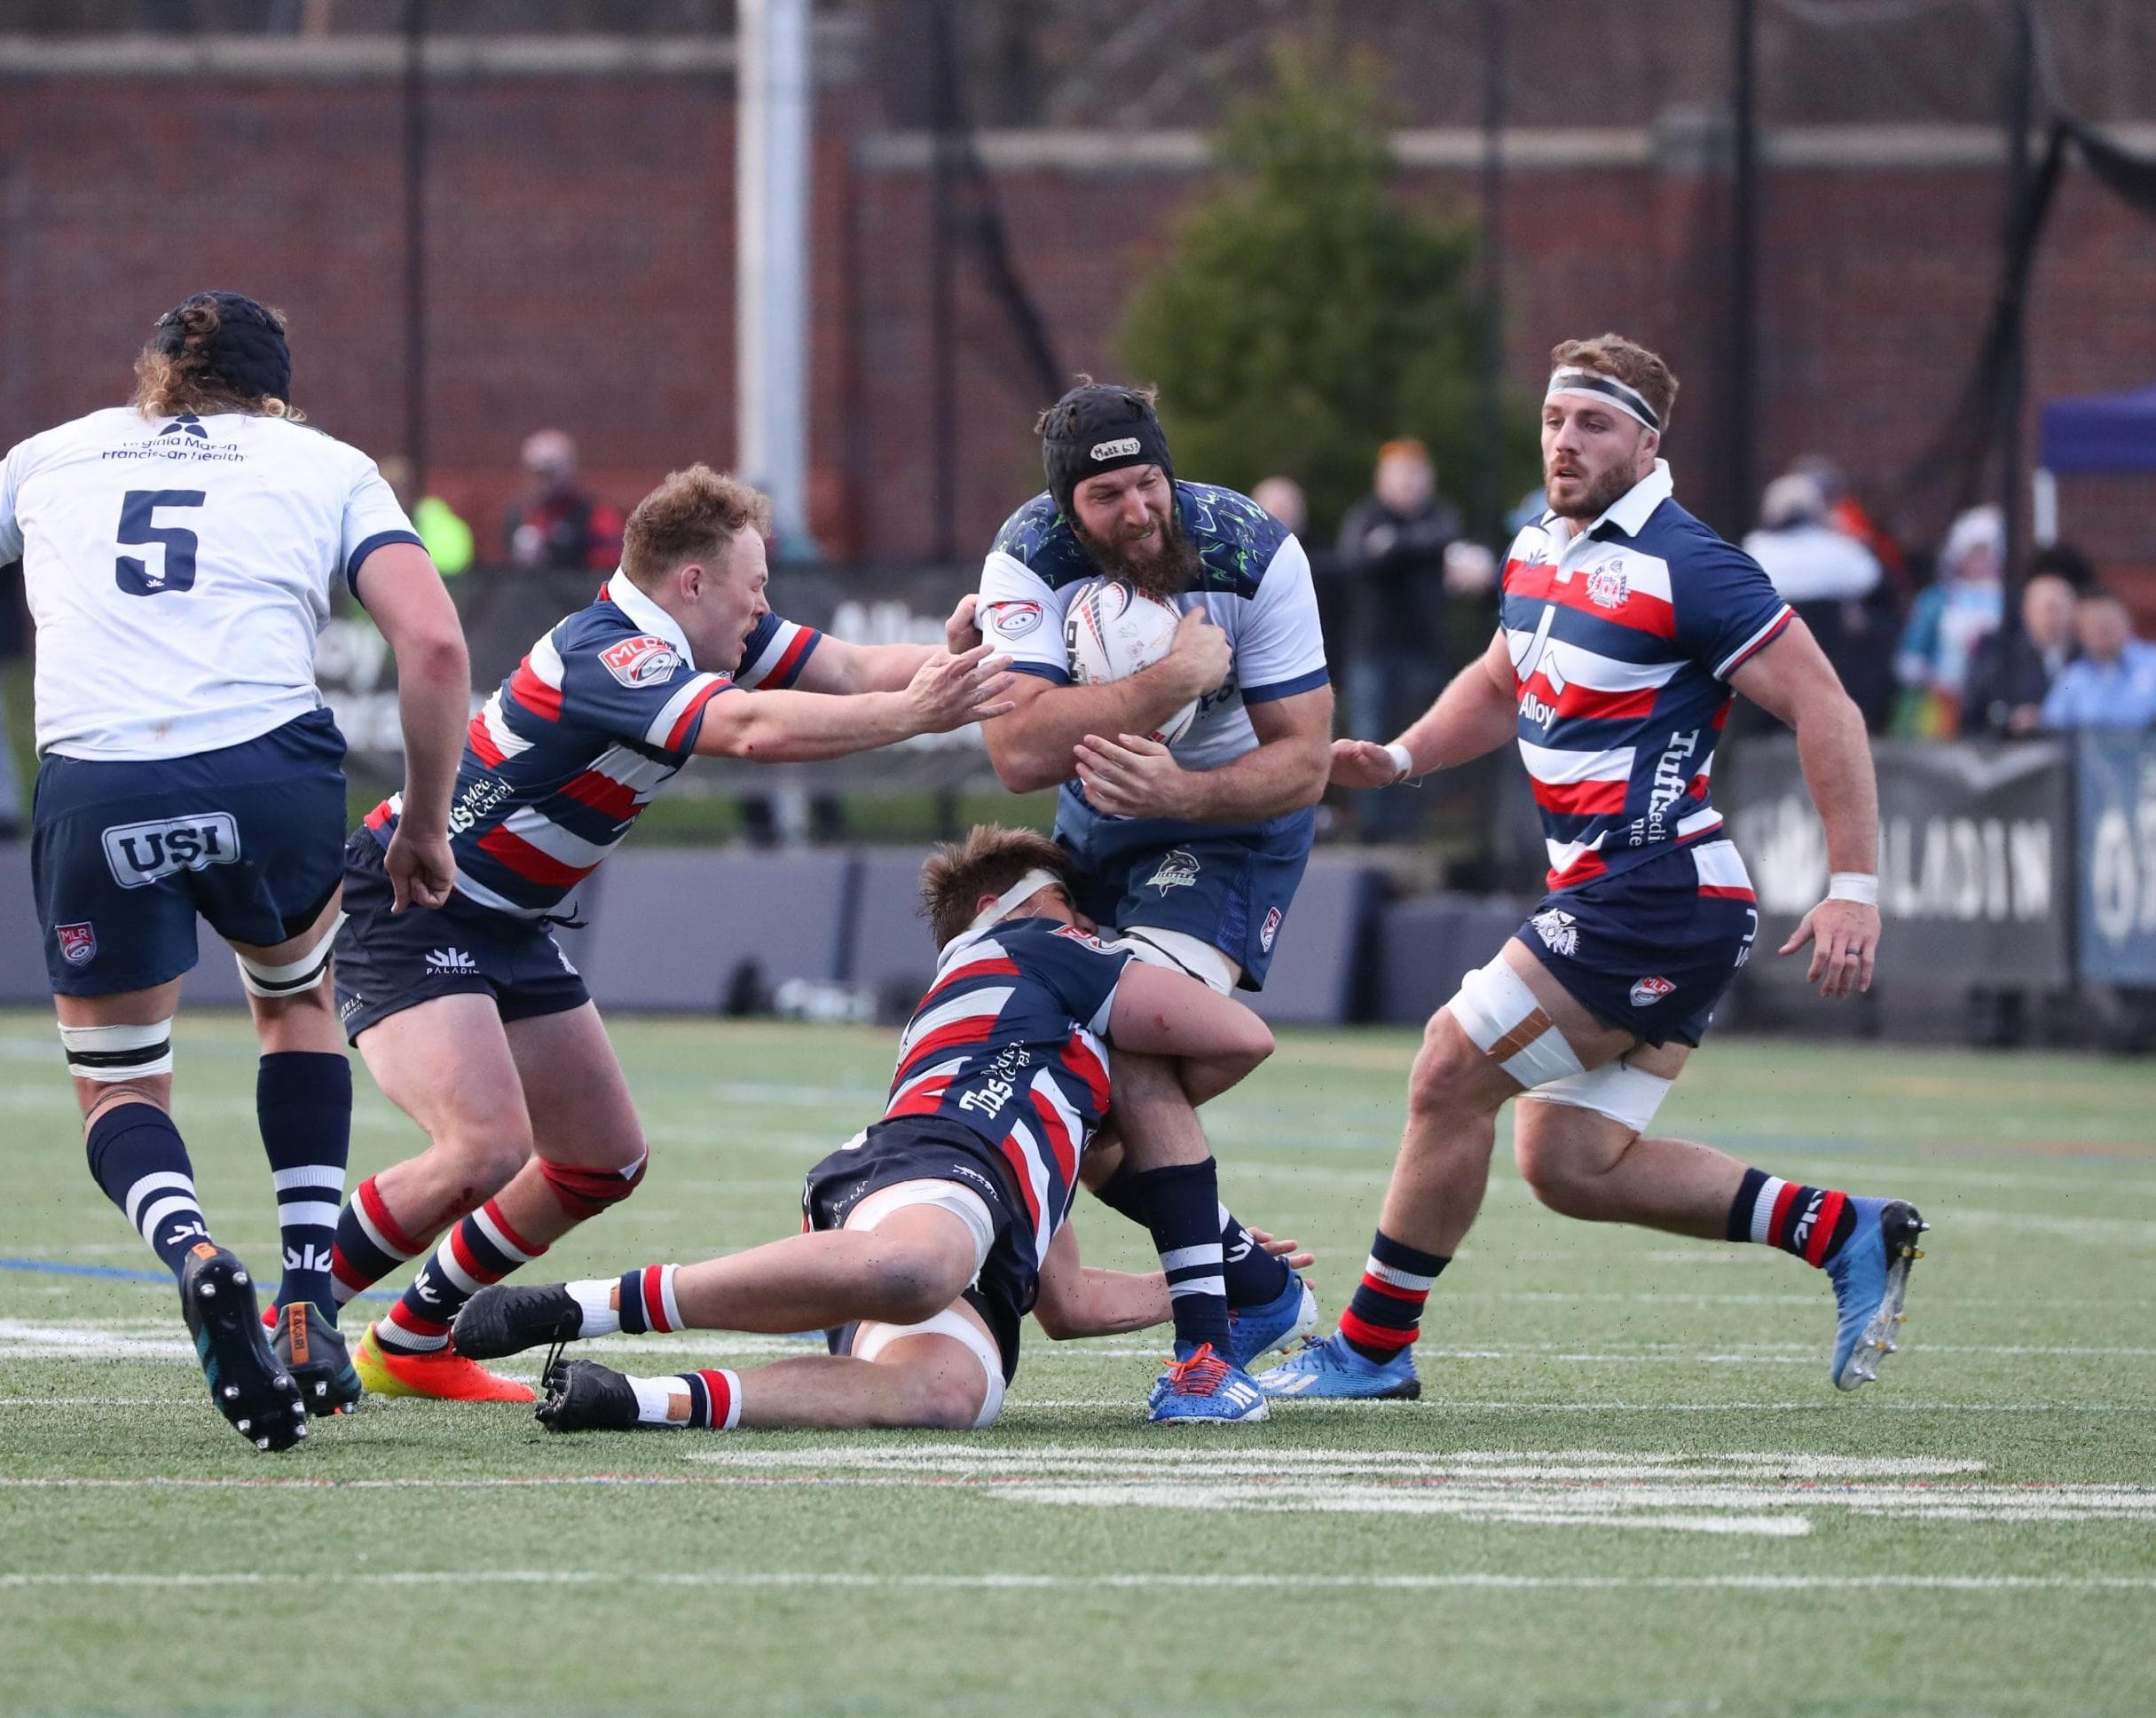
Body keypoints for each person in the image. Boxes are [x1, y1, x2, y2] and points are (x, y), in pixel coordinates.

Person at [1264, 333, 1926, 1403]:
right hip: (1620, 896)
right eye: (1554, 419)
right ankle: (1844, 1231)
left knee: (1446, 1067)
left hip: (1656, 892)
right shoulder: (1540, 542)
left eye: (1594, 424)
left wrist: (1854, 886)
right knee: (1568, 1162)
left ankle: (1372, 1348)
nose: (1564, 441)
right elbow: (1499, 678)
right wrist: (1403, 757)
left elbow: (1827, 706)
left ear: (1648, 445)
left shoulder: (1692, 565)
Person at [325, 465, 1016, 1403]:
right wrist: (915, 715)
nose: (762, 606)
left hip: (508, 920)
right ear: (692, 582)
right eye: (754, 586)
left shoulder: (701, 634)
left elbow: (853, 669)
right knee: (482, 1148)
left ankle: (411, 1338)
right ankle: (292, 1314)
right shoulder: (612, 653)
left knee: (599, 1160)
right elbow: (753, 731)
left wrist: (974, 662)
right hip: (415, 899)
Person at [0, 291, 470, 1449]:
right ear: (275, 395)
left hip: (98, 783)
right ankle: (307, 1291)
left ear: (150, 376)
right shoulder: (326, 464)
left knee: (119, 1085)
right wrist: (425, 820)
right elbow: (433, 643)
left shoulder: (47, 455)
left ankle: (193, 1250)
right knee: (296, 1002)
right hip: (267, 774)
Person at [451, 826, 1304, 1433]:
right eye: (1065, 906)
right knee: (917, 1266)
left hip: (975, 1205)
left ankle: (638, 1400)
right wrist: (1133, 1127)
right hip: (938, 1167)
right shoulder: (1031, 950)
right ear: (997, 907)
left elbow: (1069, 1304)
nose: (1085, 925)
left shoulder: (1037, 1053)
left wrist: (1196, 1283)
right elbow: (1240, 1036)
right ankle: (588, 1305)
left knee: (944, 1395)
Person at [971, 380, 1332, 1422]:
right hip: (1096, 812)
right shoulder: (1027, 555)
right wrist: (1167, 683)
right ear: (1066, 508)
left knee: (1122, 1032)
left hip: (1230, 822)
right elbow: (1017, 751)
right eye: (1106, 497)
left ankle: (1207, 1357)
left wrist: (1186, 792)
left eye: (1147, 483)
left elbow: (1305, 763)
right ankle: (1252, 1283)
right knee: (1008, 1040)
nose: (1137, 512)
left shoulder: (1252, 551)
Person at [1334, 439, 1462, 768]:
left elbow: (1443, 539)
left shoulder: (1439, 515)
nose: (1407, 482)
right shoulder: (1365, 515)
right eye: (1399, 473)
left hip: (1424, 646)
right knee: (1368, 744)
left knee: (1420, 741)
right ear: (1381, 479)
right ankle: (1372, 803)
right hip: (1372, 647)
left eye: (1414, 473)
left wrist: (1392, 546)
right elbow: (1353, 562)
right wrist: (1411, 551)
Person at [1892, 506, 2004, 737]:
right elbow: (1909, 658)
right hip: (1941, 704)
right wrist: (1933, 683)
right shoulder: (1935, 600)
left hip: (1992, 704)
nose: (1982, 560)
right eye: (1975, 553)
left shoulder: (2007, 599)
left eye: (1988, 552)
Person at [1964, 572, 2078, 737]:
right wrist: (2012, 719)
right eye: (2044, 609)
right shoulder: (1999, 657)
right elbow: (1975, 712)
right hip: (2016, 747)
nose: (2050, 618)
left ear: (2073, 612)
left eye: (2057, 609)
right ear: (2026, 612)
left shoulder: (2086, 657)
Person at [502, 429, 622, 573]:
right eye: (534, 474)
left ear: (569, 471)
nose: (541, 482)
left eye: (548, 474)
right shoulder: (517, 517)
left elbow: (607, 569)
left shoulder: (596, 516)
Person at [2040, 589, 2156, 729]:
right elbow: (2052, 727)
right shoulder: (2072, 679)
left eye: (2108, 622)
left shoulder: (2153, 664)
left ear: (2127, 619)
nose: (2102, 631)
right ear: (2081, 631)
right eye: (2094, 624)